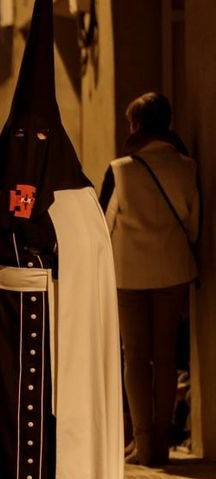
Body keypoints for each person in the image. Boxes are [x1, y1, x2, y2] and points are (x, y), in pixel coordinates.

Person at [0, 0, 123, 477]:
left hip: (58, 325)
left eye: (40, 140)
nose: (29, 149)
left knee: (54, 423)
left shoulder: (80, 206)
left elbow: (86, 276)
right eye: (20, 140)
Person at [101, 92, 199, 465]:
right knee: (166, 355)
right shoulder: (186, 167)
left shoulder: (120, 169)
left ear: (137, 126)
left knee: (136, 358)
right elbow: (194, 222)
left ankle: (143, 444)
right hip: (173, 271)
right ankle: (163, 440)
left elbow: (104, 223)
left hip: (129, 275)